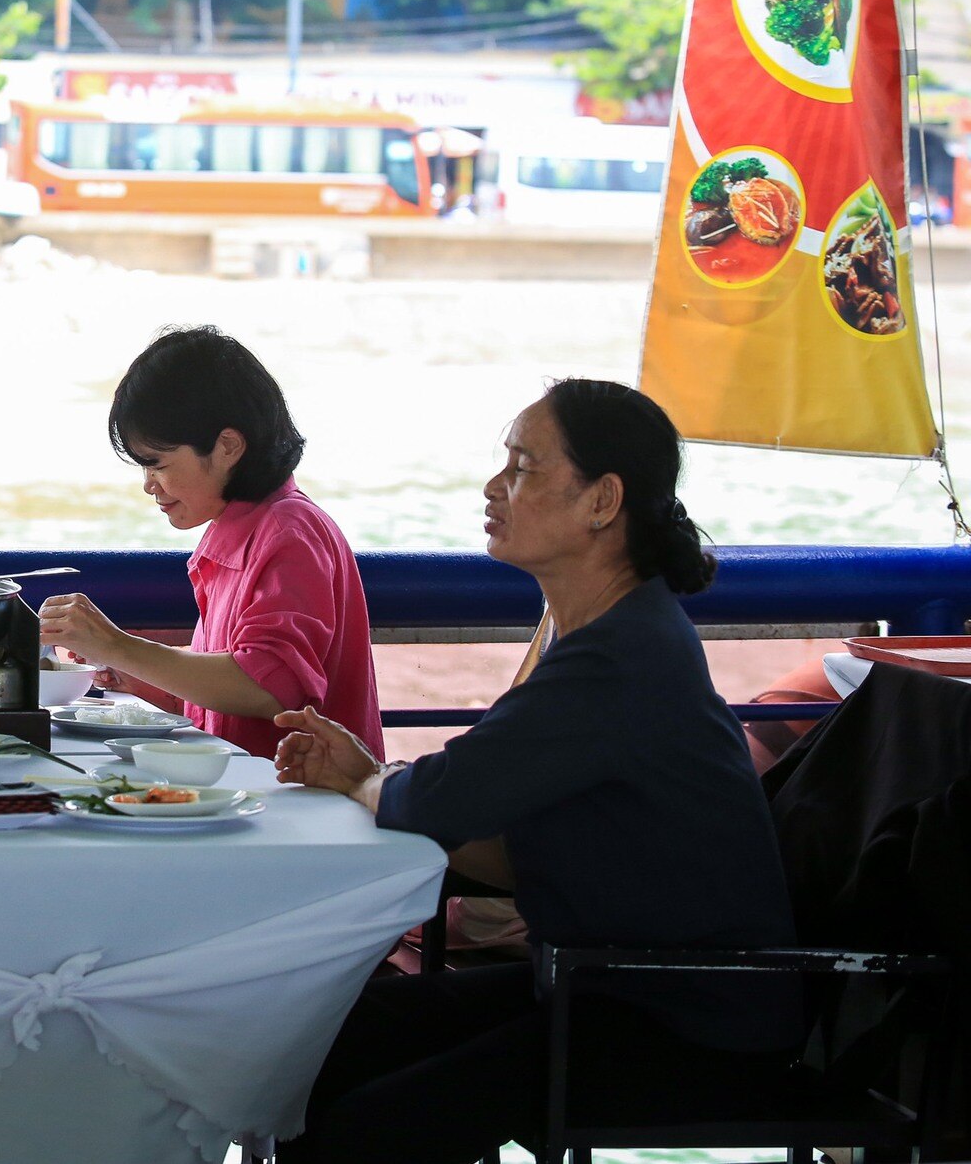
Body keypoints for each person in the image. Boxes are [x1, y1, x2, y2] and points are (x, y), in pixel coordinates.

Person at [273, 379, 799, 1164]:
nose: (494, 486)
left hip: (688, 1014)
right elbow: (514, 844)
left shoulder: (622, 654)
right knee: (318, 1044)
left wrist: (362, 777)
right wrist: (372, 779)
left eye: (521, 466)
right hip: (600, 982)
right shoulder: (608, 631)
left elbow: (443, 794)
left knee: (368, 1126)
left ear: (602, 500)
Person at [39, 326, 381, 759]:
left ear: (228, 446)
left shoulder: (291, 531)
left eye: (157, 464)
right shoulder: (234, 530)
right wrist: (141, 677)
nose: (149, 485)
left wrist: (117, 645)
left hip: (311, 804)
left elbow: (270, 688)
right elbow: (234, 702)